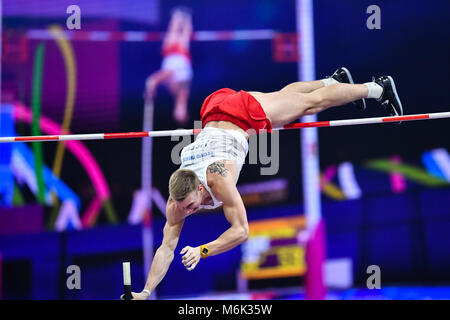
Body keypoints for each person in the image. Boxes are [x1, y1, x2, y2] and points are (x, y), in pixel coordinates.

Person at [122, 67, 403, 299]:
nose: (189, 212)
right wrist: (145, 292)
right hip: (215, 111)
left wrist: (202, 250)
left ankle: (377, 88)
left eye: (191, 206)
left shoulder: (217, 179)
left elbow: (242, 231)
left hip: (242, 115)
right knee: (283, 98)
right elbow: (166, 248)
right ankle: (333, 81)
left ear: (199, 187)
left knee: (311, 104)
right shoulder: (177, 202)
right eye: (184, 209)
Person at [145, 7, 193, 124]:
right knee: (180, 37)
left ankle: (180, 17)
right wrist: (152, 85)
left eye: (177, 113)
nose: (178, 110)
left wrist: (152, 88)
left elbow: (160, 78)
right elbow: (163, 77)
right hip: (179, 60)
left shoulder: (174, 91)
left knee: (174, 34)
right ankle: (185, 17)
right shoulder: (182, 94)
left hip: (172, 58)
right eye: (181, 112)